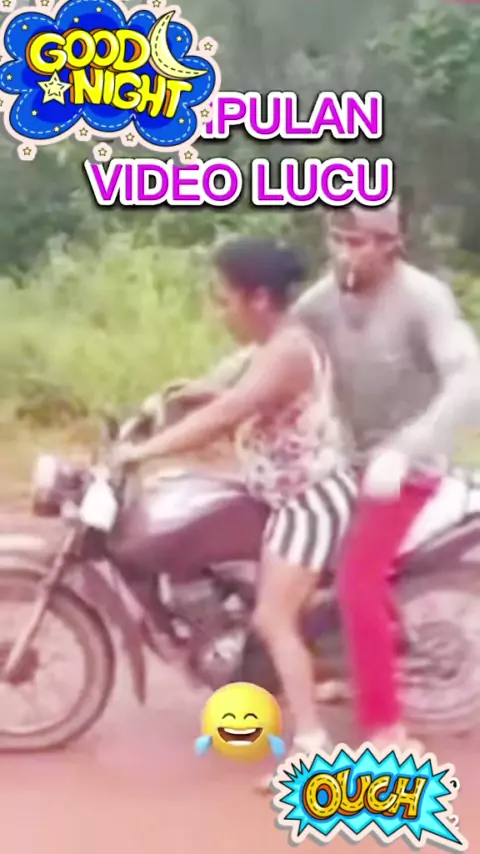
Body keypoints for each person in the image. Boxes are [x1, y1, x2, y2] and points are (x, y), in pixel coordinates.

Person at [163, 199, 480, 757]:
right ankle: (332, 660)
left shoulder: (423, 300)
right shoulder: (327, 296)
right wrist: (211, 385)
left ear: (391, 245)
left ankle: (385, 727)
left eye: (357, 243)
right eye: (337, 240)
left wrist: (408, 448)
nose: (343, 254)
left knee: (358, 580)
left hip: (406, 470)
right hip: (345, 460)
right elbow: (271, 345)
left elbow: (467, 377)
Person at [115, 235, 357, 759]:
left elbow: (228, 414)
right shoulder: (275, 344)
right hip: (273, 487)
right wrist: (196, 394)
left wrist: (142, 452)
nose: (219, 311)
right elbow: (247, 399)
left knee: (274, 617)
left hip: (308, 500)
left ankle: (312, 742)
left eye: (224, 298)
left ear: (259, 299)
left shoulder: (289, 350)